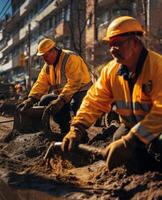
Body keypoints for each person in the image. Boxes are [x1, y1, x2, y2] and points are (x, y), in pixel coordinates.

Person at [61, 16, 162, 171]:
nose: (112, 49)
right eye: (110, 44)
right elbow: (94, 100)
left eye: (118, 44)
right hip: (133, 128)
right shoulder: (111, 70)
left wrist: (131, 141)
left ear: (135, 42)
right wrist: (77, 128)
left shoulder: (157, 67)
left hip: (159, 129)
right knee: (118, 139)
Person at [17, 38, 92, 134]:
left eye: (46, 56)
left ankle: (80, 132)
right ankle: (65, 129)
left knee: (75, 104)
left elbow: (75, 82)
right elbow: (41, 83)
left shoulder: (70, 58)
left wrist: (61, 100)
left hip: (82, 91)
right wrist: (31, 99)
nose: (44, 59)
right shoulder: (48, 66)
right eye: (43, 57)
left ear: (53, 51)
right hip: (64, 95)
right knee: (45, 100)